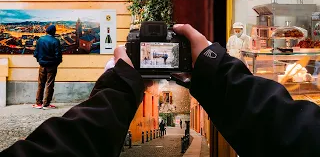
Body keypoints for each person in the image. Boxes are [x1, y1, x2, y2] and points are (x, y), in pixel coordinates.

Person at [2, 24, 320, 157]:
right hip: (54, 64)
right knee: (50, 81)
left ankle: (40, 102)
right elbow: (301, 138)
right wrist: (217, 71)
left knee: (44, 82)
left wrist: (117, 89)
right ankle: (43, 101)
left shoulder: (42, 42)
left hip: (46, 64)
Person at [32, 25, 62, 110]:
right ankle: (46, 104)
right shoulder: (56, 41)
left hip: (42, 65)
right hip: (52, 66)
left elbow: (36, 53)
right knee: (49, 84)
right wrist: (56, 63)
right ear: (54, 32)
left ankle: (38, 103)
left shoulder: (40, 39)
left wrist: (40, 61)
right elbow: (58, 55)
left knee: (41, 84)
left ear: (46, 31)